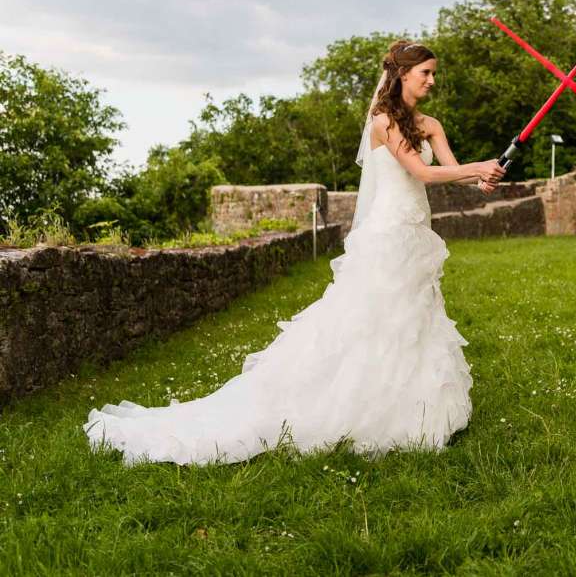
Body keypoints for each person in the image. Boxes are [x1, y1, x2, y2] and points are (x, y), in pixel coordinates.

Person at [84, 40, 507, 466]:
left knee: (411, 320)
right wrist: (476, 167)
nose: (432, 81)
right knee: (371, 321)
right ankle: (348, 405)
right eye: (425, 73)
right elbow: (422, 172)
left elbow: (450, 171)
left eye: (434, 73)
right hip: (387, 236)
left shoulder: (431, 125)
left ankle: (412, 410)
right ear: (402, 75)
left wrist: (480, 180)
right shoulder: (383, 122)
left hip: (415, 235)